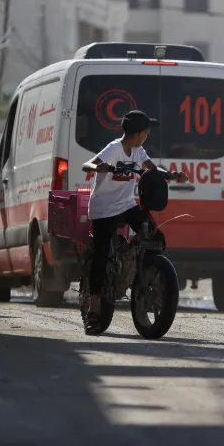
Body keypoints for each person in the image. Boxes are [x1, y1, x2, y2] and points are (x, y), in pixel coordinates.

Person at [81, 110, 188, 336]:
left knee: (155, 237)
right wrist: (99, 168)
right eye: (147, 132)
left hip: (126, 205)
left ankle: (140, 271)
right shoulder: (113, 149)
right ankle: (93, 309)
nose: (147, 136)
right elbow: (87, 165)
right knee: (101, 256)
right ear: (139, 133)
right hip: (103, 209)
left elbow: (152, 169)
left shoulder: (138, 151)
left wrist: (171, 175)